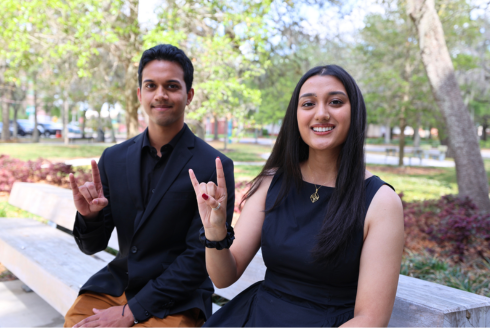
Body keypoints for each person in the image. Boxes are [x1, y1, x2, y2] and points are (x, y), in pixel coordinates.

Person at [189, 65, 404, 327]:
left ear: (354, 112)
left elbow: (371, 319)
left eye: (335, 102)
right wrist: (215, 232)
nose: (322, 113)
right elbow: (224, 277)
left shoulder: (380, 202)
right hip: (256, 317)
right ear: (296, 115)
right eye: (308, 104)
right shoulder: (272, 183)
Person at [64, 44, 235, 327]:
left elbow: (197, 259)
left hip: (178, 297)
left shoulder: (214, 165)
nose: (161, 95)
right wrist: (89, 217)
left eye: (171, 86)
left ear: (189, 95)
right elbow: (92, 246)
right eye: (151, 85)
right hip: (118, 285)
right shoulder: (113, 158)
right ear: (139, 94)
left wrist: (131, 312)